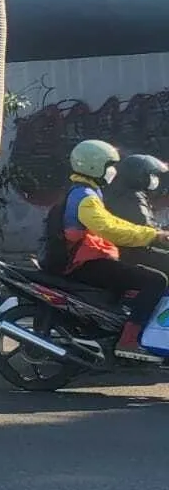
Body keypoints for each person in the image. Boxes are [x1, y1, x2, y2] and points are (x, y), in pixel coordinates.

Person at [60, 139, 169, 351]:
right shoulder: (85, 198)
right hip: (83, 263)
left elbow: (113, 223)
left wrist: (154, 233)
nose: (113, 171)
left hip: (87, 258)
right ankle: (128, 341)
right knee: (156, 280)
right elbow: (111, 230)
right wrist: (153, 235)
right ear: (94, 166)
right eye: (110, 166)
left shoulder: (87, 193)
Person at [104, 154, 169, 273]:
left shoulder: (125, 192)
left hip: (131, 246)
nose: (154, 179)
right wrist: (162, 235)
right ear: (139, 176)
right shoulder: (131, 198)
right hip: (131, 250)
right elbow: (145, 227)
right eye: (151, 175)